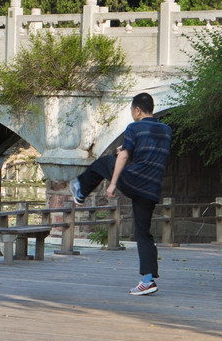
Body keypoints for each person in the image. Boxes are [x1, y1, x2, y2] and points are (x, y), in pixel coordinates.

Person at [69, 93, 171, 296]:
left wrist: (113, 183)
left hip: (135, 180)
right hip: (151, 189)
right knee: (144, 234)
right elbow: (148, 153)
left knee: (106, 161)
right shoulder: (167, 131)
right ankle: (148, 280)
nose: (132, 115)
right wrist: (125, 149)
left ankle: (80, 189)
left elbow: (124, 156)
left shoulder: (134, 127)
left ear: (138, 110)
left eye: (132, 111)